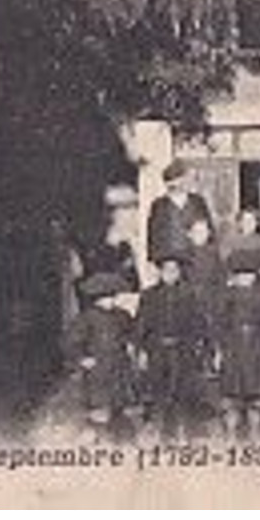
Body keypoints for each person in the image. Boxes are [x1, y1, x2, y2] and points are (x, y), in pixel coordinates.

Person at [136, 251, 212, 440]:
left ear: (179, 272)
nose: (170, 273)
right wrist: (140, 350)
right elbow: (141, 324)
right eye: (166, 270)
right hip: (158, 350)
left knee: (183, 392)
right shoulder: (149, 296)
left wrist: (202, 346)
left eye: (174, 270)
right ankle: (165, 434)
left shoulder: (189, 294)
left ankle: (187, 433)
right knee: (161, 393)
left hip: (182, 349)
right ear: (160, 272)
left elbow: (200, 323)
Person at [64, 271, 138, 442]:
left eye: (113, 296)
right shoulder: (87, 318)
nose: (110, 301)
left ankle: (122, 437)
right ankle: (99, 436)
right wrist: (82, 358)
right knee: (99, 406)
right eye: (105, 297)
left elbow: (133, 333)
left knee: (119, 404)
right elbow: (70, 341)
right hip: (99, 369)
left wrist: (131, 345)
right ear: (96, 298)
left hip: (119, 367)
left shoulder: (122, 316)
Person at [218, 247, 260, 439]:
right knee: (232, 390)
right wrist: (219, 349)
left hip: (256, 346)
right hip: (233, 346)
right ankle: (231, 431)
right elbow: (220, 324)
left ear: (255, 276)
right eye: (241, 275)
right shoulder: (226, 296)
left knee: (256, 390)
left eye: (249, 275)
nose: (245, 279)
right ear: (234, 276)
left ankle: (255, 429)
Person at [147, 163, 214, 267]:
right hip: (170, 260)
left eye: (181, 179)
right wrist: (156, 260)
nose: (178, 184)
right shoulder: (159, 205)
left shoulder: (198, 202)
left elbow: (209, 230)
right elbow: (153, 235)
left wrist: (209, 253)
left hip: (195, 259)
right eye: (172, 181)